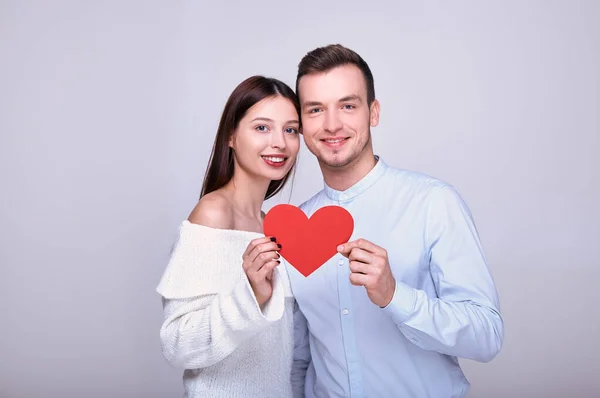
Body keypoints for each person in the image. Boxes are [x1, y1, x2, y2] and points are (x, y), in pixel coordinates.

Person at [288, 44, 504, 397]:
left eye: (347, 105)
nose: (331, 124)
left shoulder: (433, 203)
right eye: (315, 109)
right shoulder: (295, 227)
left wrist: (395, 295)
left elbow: (487, 335)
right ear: (301, 122)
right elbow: (300, 357)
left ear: (373, 113)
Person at [156, 75, 301, 397]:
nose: (279, 142)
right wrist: (250, 294)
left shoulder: (272, 226)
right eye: (262, 127)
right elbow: (178, 345)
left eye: (290, 129)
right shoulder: (213, 214)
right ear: (232, 136)